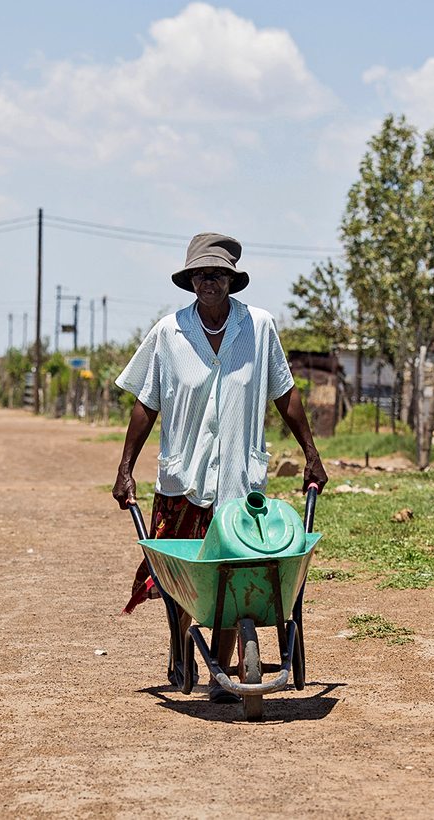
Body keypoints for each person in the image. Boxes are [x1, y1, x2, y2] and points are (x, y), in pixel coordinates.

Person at [111, 233, 328, 693]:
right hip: (182, 479)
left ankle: (221, 670)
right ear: (190, 280)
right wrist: (125, 467)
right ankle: (182, 649)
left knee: (237, 581)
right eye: (201, 274)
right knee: (183, 581)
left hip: (239, 481)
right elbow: (146, 404)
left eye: (218, 274)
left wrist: (311, 453)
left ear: (232, 280)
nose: (209, 281)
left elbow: (285, 394)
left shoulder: (260, 327)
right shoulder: (168, 332)